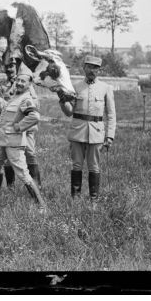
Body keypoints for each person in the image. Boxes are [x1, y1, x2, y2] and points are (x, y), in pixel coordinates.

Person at [55, 55, 116, 203]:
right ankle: (75, 199)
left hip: (96, 133)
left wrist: (109, 136)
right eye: (89, 67)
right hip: (78, 131)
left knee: (94, 166)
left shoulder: (106, 88)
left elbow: (111, 114)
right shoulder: (74, 87)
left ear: (99, 70)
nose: (92, 70)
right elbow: (69, 112)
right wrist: (63, 100)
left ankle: (93, 200)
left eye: (95, 68)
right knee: (76, 165)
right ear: (84, 68)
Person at [0, 66, 46, 210]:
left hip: (14, 142)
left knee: (23, 173)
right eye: (18, 80)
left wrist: (19, 127)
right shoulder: (16, 97)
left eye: (22, 81)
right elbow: (5, 109)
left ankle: (41, 206)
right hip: (2, 140)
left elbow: (35, 116)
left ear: (29, 84)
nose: (19, 83)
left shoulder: (26, 99)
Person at [0, 58, 43, 189]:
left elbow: (34, 108)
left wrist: (20, 125)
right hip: (8, 129)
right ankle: (11, 187)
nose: (9, 69)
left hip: (25, 127)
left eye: (12, 66)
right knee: (5, 160)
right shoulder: (2, 85)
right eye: (7, 66)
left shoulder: (27, 85)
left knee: (30, 154)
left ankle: (37, 186)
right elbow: (2, 108)